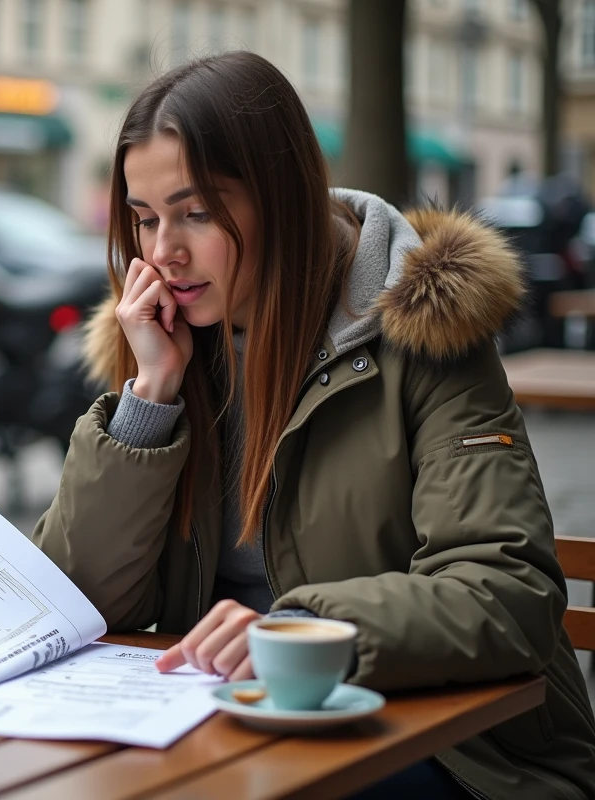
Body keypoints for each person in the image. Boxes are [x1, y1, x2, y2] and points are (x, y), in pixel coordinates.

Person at [32, 52, 595, 799]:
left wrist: (299, 632)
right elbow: (71, 603)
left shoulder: (425, 334)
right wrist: (149, 401)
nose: (162, 252)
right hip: (211, 730)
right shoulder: (163, 344)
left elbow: (508, 594)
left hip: (460, 751)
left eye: (197, 213)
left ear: (284, 197)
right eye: (143, 219)